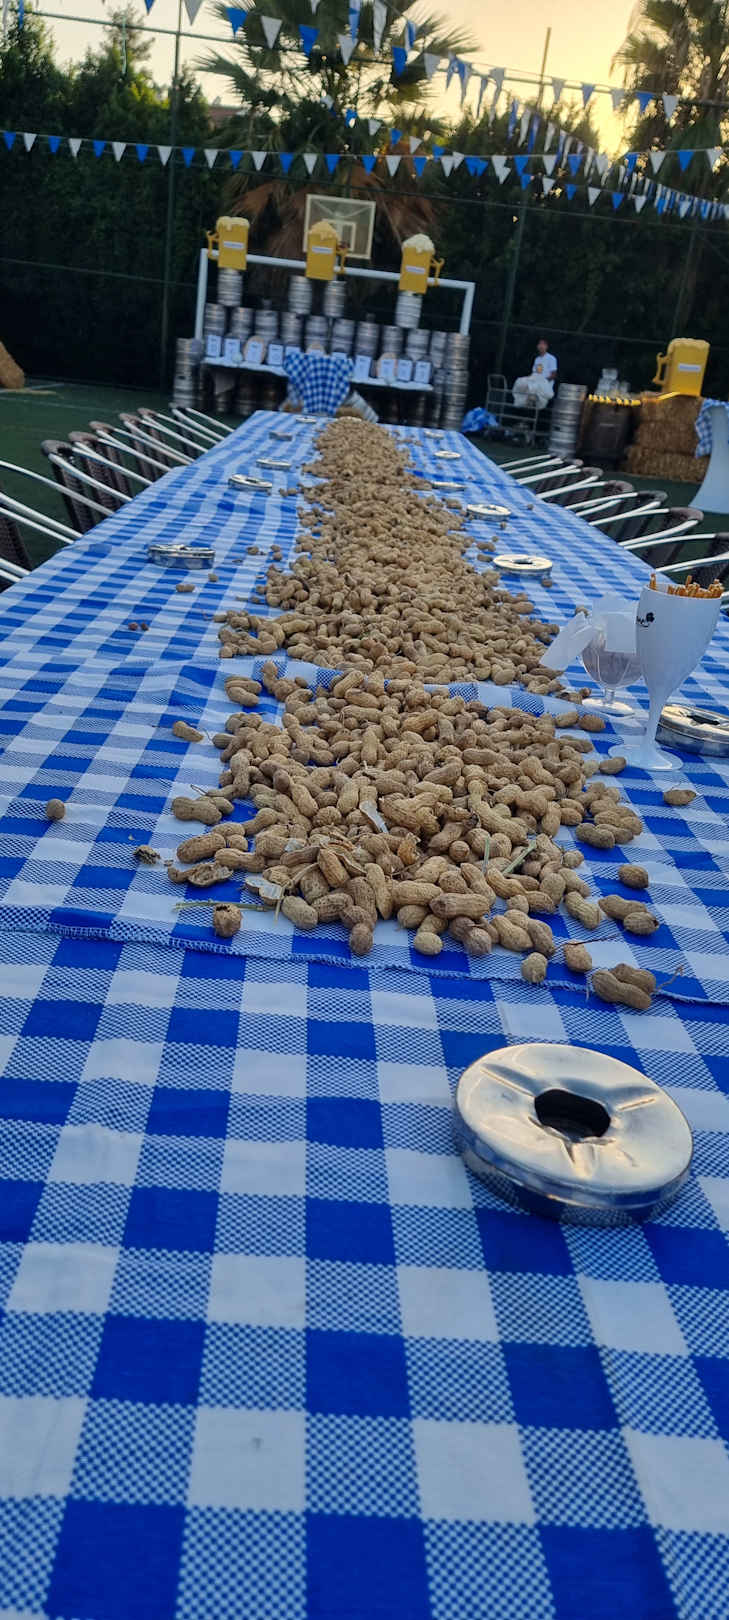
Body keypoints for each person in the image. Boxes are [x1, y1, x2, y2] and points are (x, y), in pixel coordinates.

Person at [512, 337, 558, 409]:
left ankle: (532, 400)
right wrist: (526, 379)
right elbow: (534, 373)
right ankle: (525, 402)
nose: (541, 346)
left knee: (533, 387)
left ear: (546, 347)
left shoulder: (551, 358)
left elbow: (553, 375)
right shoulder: (537, 359)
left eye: (543, 344)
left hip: (545, 384)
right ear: (537, 346)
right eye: (540, 344)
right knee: (519, 382)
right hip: (535, 381)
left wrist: (543, 381)